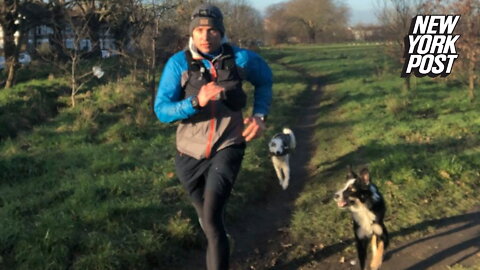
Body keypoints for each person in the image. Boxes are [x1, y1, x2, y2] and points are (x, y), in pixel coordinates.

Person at [154, 3, 272, 270]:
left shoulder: (241, 59)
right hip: (188, 154)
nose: (206, 36)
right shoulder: (178, 64)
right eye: (199, 30)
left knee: (212, 217)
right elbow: (161, 110)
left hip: (228, 145)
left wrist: (260, 115)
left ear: (221, 32)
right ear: (191, 33)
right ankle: (220, 241)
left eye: (212, 30)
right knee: (208, 221)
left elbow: (265, 80)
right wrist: (196, 101)